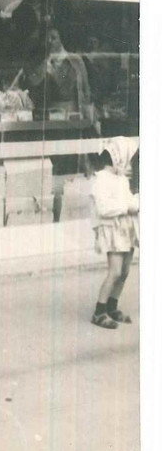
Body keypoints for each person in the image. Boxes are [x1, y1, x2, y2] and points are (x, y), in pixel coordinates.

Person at [89, 137, 140, 329]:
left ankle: (112, 305)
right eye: (128, 159)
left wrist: (137, 202)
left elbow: (130, 202)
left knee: (125, 271)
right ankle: (99, 311)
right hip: (113, 230)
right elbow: (103, 208)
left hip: (126, 228)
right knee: (115, 270)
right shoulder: (101, 179)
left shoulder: (121, 180)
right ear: (118, 157)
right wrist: (127, 207)